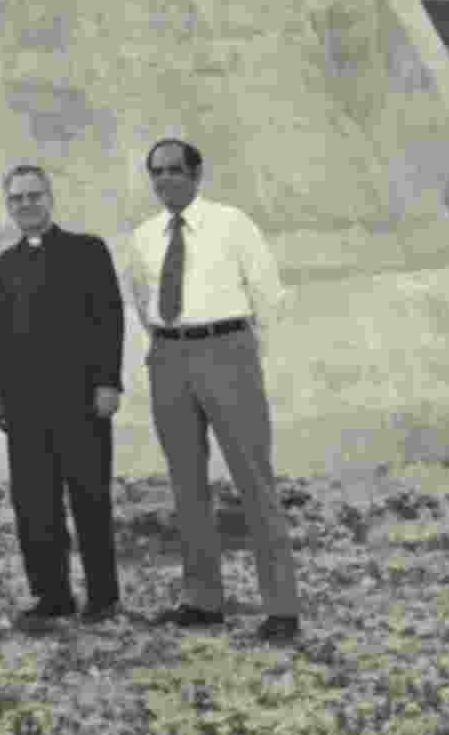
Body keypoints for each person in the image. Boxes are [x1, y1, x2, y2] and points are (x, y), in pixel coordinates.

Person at [128, 138, 301, 642]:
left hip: (227, 349)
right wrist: (169, 348)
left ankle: (282, 606)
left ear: (197, 174)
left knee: (253, 478)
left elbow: (268, 296)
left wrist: (242, 356)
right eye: (156, 172)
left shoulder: (232, 224)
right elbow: (143, 301)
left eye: (174, 170)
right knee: (185, 483)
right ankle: (203, 599)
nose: (164, 181)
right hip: (168, 355)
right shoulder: (143, 237)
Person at [0, 164, 125, 632]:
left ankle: (104, 596)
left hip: (82, 400)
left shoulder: (88, 251)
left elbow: (110, 318)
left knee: (90, 497)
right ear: (9, 207)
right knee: (33, 504)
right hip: (25, 406)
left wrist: (109, 382)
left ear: (50, 198)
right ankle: (52, 595)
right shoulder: (1, 267)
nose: (26, 205)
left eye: (34, 196)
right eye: (17, 199)